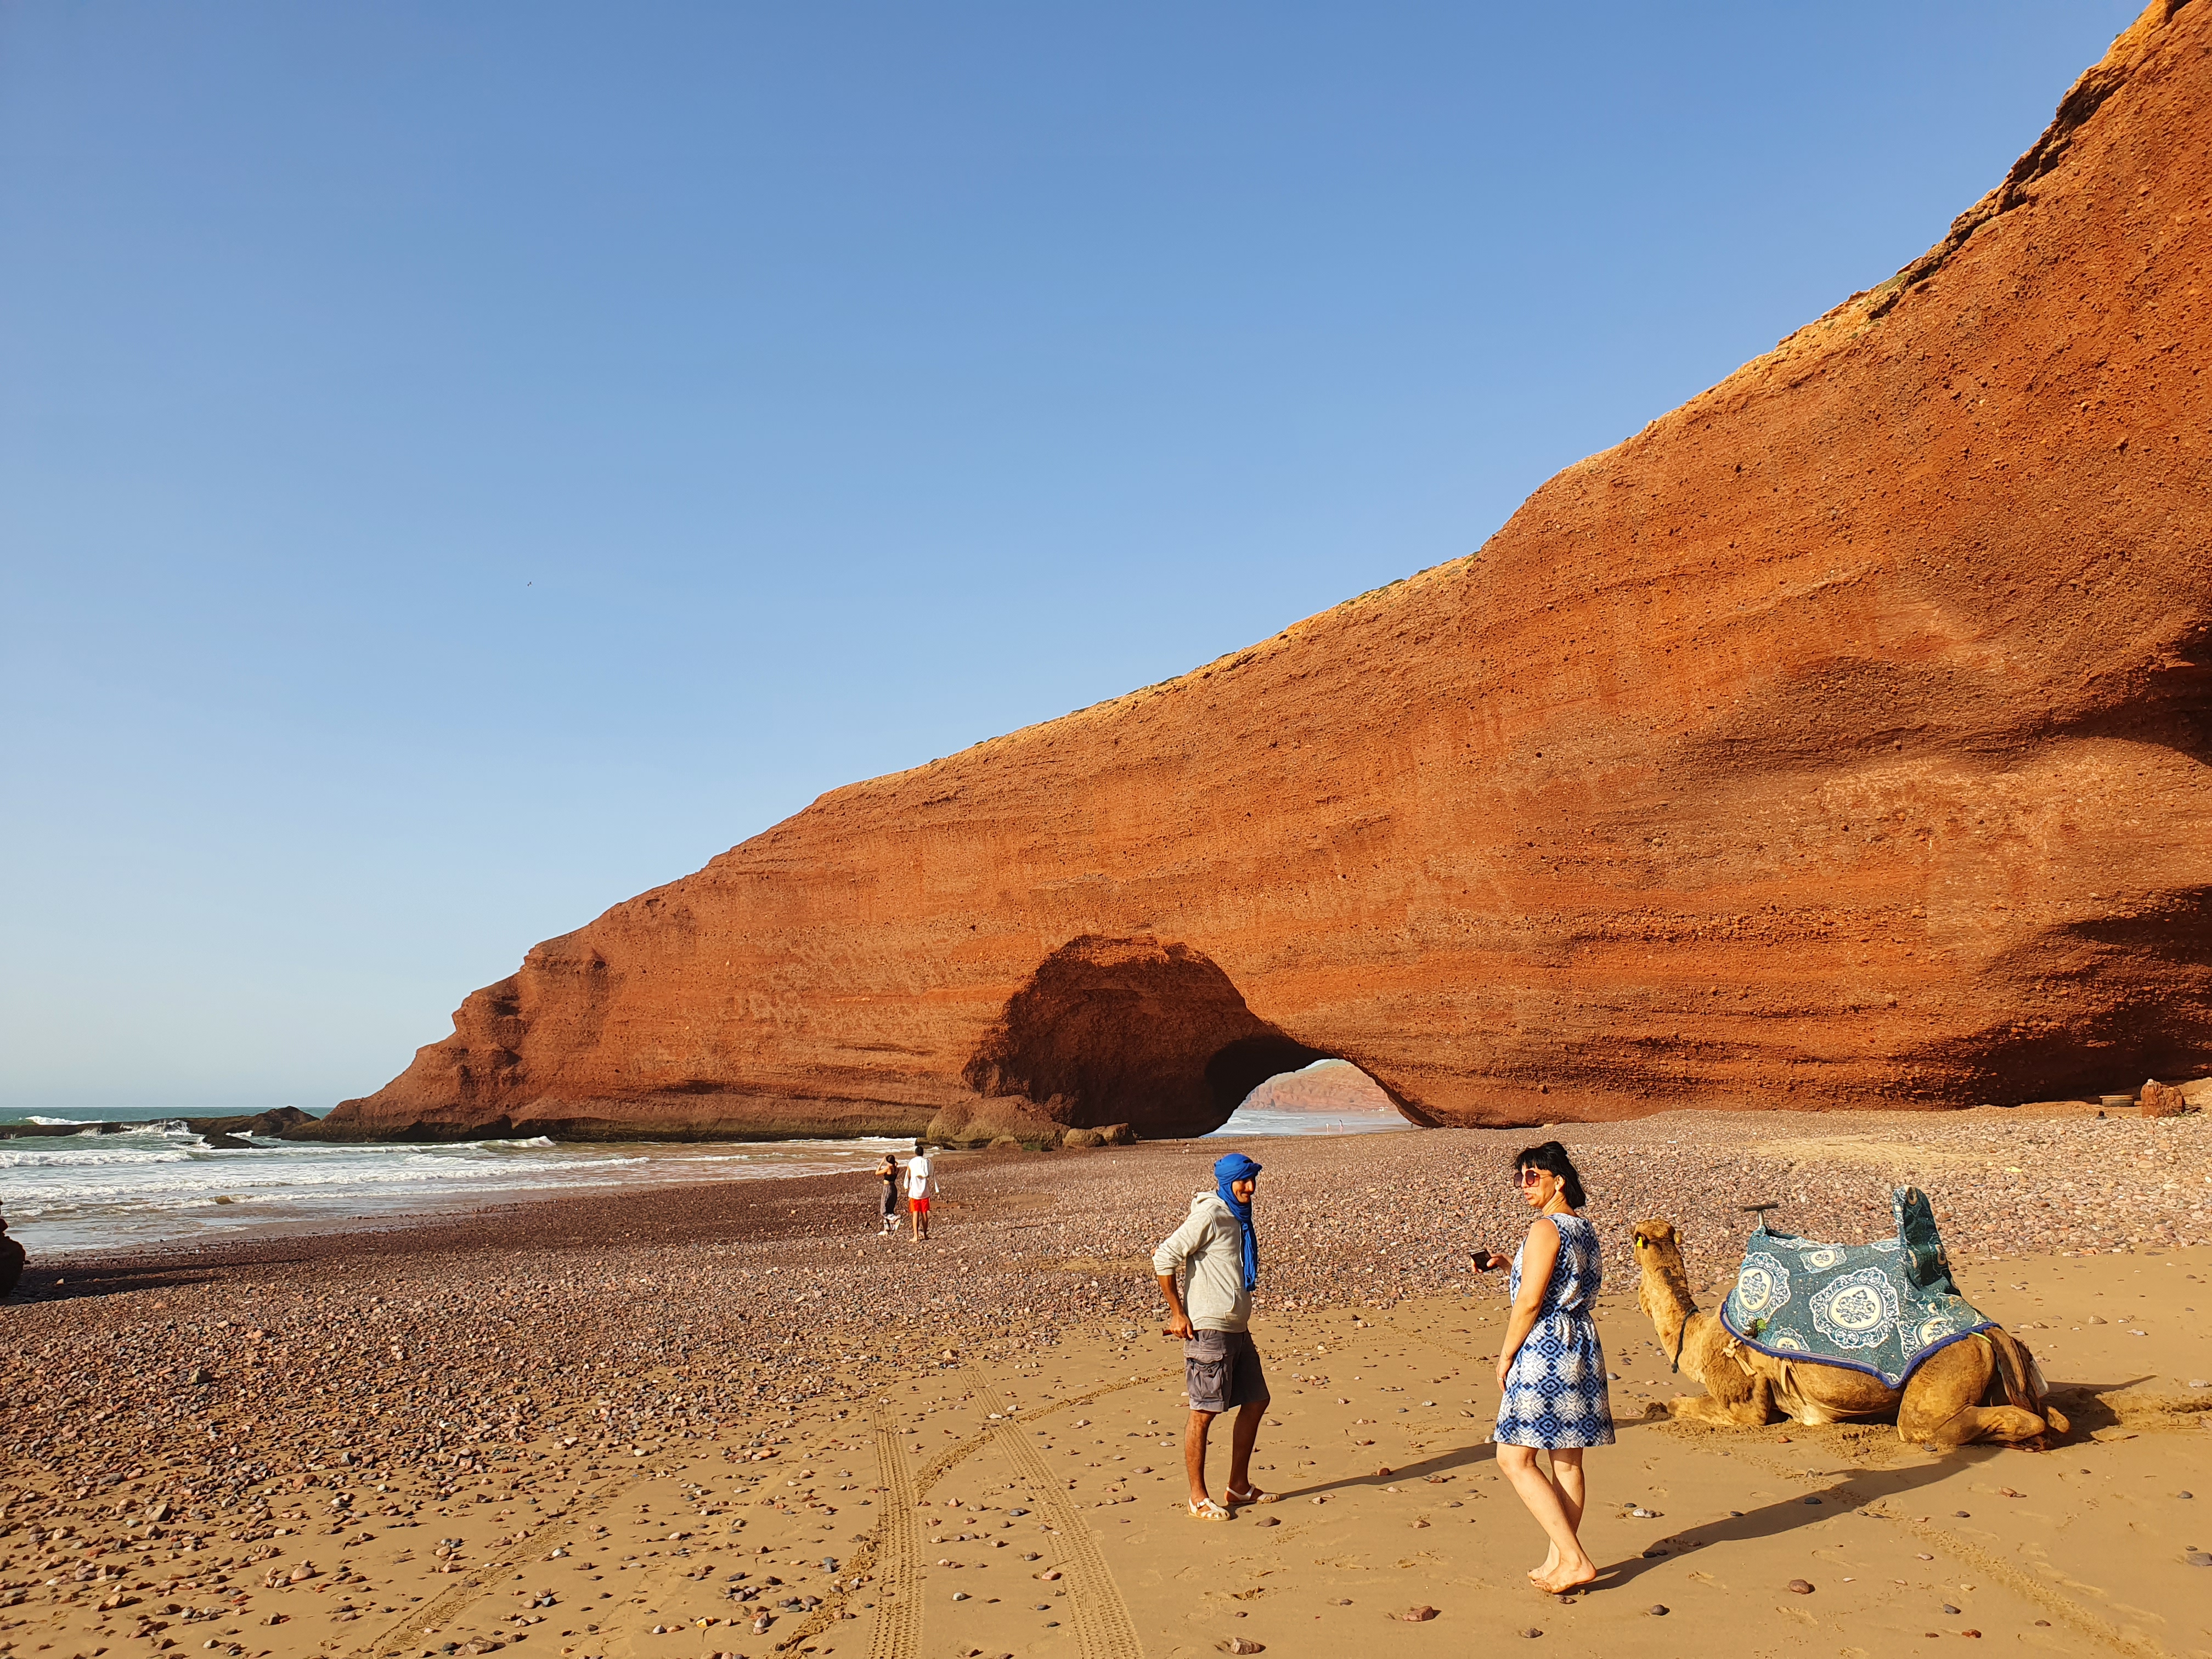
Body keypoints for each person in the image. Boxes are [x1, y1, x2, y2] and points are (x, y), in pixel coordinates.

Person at [1487, 1140, 1613, 1594]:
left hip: (1545, 1348)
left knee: (1514, 1457)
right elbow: (1563, 1285)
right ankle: (1560, 1558)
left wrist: (1505, 1354)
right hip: (1580, 1340)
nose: (1524, 1185)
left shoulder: (1545, 1228)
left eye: (1532, 1176)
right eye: (1520, 1177)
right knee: (1568, 1461)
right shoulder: (1584, 1229)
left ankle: (1575, 1560)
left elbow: (1532, 1302)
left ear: (1558, 1181)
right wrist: (1508, 1266)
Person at [1153, 1152, 1272, 1520]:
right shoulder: (1210, 1214)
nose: (1249, 1187)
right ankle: (1197, 1497)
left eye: (1252, 1180)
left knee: (1256, 1401)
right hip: (1209, 1332)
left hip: (1237, 1329)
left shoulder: (1239, 1218)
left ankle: (1238, 1486)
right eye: (1242, 1180)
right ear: (1227, 1182)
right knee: (1203, 1413)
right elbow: (1163, 1257)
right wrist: (1177, 1313)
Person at [905, 1142, 938, 1241]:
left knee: (915, 1214)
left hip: (915, 1191)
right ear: (923, 1153)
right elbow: (931, 1173)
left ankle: (916, 1236)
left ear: (915, 1154)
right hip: (925, 1190)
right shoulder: (927, 1162)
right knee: (924, 1214)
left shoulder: (911, 1162)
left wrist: (906, 1185)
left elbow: (909, 1176)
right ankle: (925, 1235)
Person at [876, 1151, 902, 1236]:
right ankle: (887, 1229)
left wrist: (881, 1163)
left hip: (887, 1188)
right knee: (890, 1209)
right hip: (894, 1188)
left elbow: (877, 1173)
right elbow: (896, 1165)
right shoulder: (896, 1168)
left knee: (884, 1210)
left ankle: (896, 1219)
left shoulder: (888, 1168)